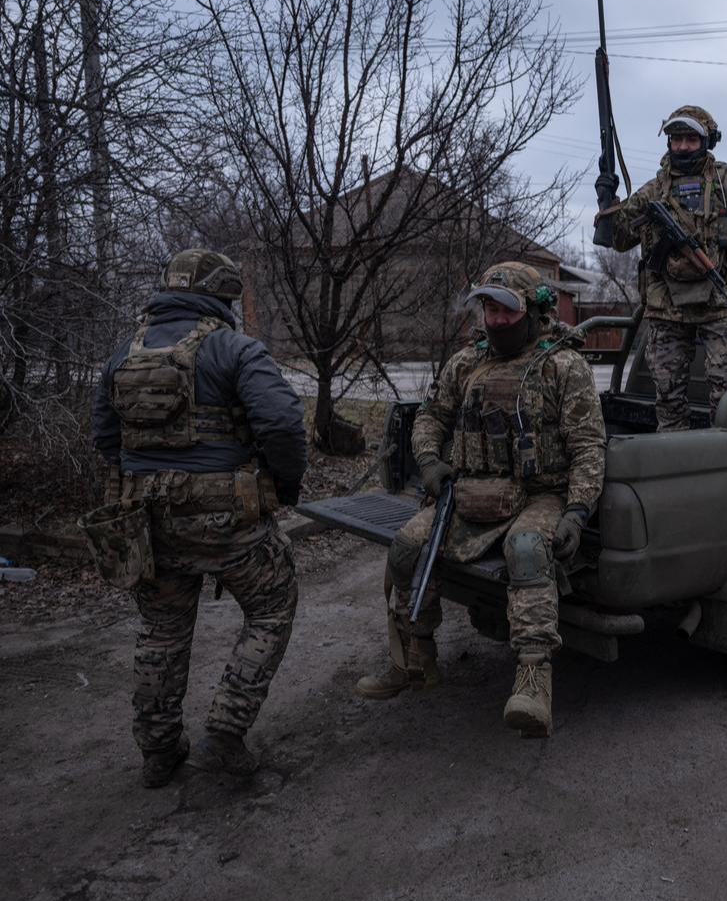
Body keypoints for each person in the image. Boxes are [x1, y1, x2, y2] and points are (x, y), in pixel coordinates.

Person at [355, 262, 606, 738]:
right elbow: (430, 418)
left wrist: (577, 510)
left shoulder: (562, 365)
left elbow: (588, 446)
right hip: (467, 491)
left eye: (505, 311)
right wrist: (430, 463)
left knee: (529, 551)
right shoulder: (468, 362)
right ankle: (415, 657)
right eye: (488, 309)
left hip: (539, 494)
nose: (494, 321)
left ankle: (534, 679)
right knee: (408, 546)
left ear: (534, 311)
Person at [85, 249, 307, 787]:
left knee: (161, 630)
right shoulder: (234, 347)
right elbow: (281, 424)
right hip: (227, 520)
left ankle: (159, 751)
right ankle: (225, 733)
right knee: (272, 607)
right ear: (222, 296)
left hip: (148, 524)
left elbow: (104, 438)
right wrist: (287, 484)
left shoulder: (123, 354)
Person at [595, 104, 727, 431]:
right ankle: (677, 464)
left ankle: (726, 464)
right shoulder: (655, 190)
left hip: (719, 305)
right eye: (676, 138)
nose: (681, 146)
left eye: (690, 139)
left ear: (707, 141)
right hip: (666, 309)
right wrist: (607, 203)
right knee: (667, 399)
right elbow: (621, 239)